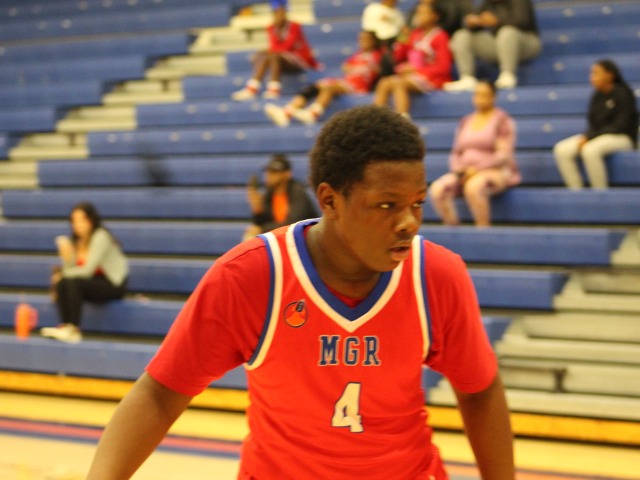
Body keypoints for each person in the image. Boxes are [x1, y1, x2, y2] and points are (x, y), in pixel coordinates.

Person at [86, 105, 514, 479]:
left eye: (417, 202)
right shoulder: (251, 275)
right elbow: (160, 393)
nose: (408, 222)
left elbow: (479, 389)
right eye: (387, 204)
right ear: (329, 200)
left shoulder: (436, 275)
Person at [429, 80, 521, 227]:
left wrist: (476, 169)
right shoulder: (466, 121)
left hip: (494, 171)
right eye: (477, 94)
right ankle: (453, 229)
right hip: (464, 172)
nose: (480, 98)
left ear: (493, 97)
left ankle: (483, 231)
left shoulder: (502, 120)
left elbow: (503, 155)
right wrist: (459, 170)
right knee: (438, 189)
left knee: (473, 187)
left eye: (485, 95)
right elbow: (456, 152)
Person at [40, 202, 128, 343]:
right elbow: (72, 271)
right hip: (93, 282)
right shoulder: (76, 242)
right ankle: (65, 326)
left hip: (113, 284)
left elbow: (87, 271)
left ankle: (74, 330)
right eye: (74, 221)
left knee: (72, 282)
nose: (78, 225)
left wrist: (62, 274)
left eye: (82, 220)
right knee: (63, 282)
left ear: (91, 220)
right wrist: (67, 258)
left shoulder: (100, 236)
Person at [263, 30, 382, 126]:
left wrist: (360, 68)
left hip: (358, 85)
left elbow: (376, 69)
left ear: (373, 41)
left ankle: (312, 114)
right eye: (360, 39)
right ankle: (287, 111)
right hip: (347, 80)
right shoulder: (358, 54)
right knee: (315, 86)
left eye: (365, 39)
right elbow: (345, 67)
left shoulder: (377, 55)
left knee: (328, 88)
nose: (362, 41)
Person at [553, 59, 639, 190]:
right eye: (591, 73)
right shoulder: (596, 96)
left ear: (610, 75)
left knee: (590, 150)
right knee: (561, 150)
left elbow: (621, 125)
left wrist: (590, 137)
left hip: (623, 138)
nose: (592, 77)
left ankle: (600, 193)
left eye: (596, 73)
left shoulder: (624, 94)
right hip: (597, 137)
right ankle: (577, 191)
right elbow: (592, 123)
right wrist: (587, 136)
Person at [373, 3, 452, 119]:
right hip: (412, 77)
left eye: (424, 13)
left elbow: (444, 67)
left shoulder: (440, 36)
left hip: (432, 79)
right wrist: (402, 37)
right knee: (384, 82)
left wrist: (417, 71)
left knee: (398, 83)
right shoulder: (415, 34)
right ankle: (375, 120)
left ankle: (402, 120)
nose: (419, 17)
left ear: (435, 16)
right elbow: (398, 57)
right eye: (418, 13)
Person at [443, 0, 541, 91]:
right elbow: (477, 19)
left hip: (526, 43)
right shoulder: (487, 3)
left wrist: (497, 21)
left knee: (507, 32)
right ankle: (467, 77)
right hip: (499, 44)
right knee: (462, 35)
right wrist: (474, 22)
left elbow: (522, 21)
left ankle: (508, 74)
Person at [231, 3, 317, 101]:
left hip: (299, 60)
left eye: (281, 12)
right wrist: (264, 51)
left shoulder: (294, 26)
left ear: (285, 13)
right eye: (276, 13)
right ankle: (253, 89)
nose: (279, 15)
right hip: (281, 59)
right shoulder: (271, 27)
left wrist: (267, 50)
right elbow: (273, 47)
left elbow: (287, 47)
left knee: (271, 55)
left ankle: (271, 90)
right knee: (264, 54)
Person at [243, 153, 318, 241]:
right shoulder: (269, 193)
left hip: (304, 240)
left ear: (287, 174)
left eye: (274, 172)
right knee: (251, 235)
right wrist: (258, 210)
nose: (269, 175)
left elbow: (293, 225)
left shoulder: (297, 192)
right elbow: (261, 223)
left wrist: (262, 229)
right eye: (268, 171)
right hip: (283, 238)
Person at [361, 0, 405, 78]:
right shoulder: (373, 8)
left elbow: (401, 30)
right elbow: (368, 28)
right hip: (376, 40)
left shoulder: (398, 13)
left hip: (393, 41)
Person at [406, 0, 473, 37]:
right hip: (419, 37)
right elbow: (410, 23)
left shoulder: (448, 4)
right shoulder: (419, 5)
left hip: (445, 35)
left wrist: (431, 29)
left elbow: (450, 22)